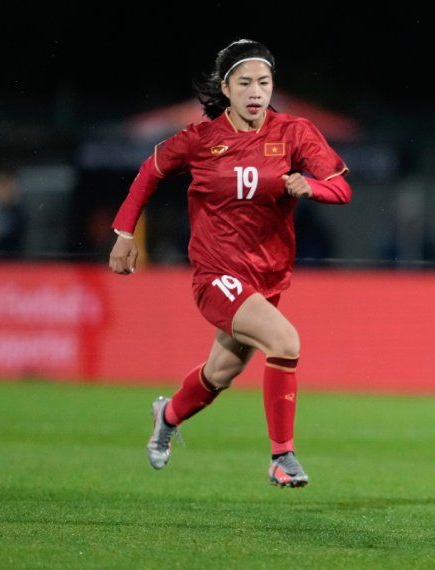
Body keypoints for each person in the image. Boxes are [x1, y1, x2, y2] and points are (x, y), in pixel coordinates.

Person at [109, 39, 352, 488]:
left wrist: (309, 187)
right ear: (226, 88)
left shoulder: (294, 132)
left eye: (264, 82)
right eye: (245, 83)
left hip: (269, 276)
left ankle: (168, 413)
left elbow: (340, 187)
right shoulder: (200, 139)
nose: (256, 91)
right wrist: (125, 233)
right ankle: (282, 457)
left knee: (221, 372)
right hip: (216, 273)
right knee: (285, 341)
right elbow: (149, 172)